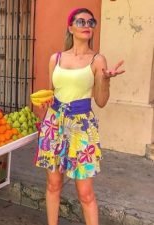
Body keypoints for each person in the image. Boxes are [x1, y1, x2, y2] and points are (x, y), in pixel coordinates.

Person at [34, 8, 125, 225]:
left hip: (82, 127)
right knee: (53, 185)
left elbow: (101, 101)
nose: (87, 25)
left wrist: (106, 80)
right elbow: (50, 94)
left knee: (85, 193)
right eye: (81, 21)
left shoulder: (97, 60)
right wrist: (42, 113)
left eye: (91, 22)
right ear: (70, 27)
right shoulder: (55, 59)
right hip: (54, 125)